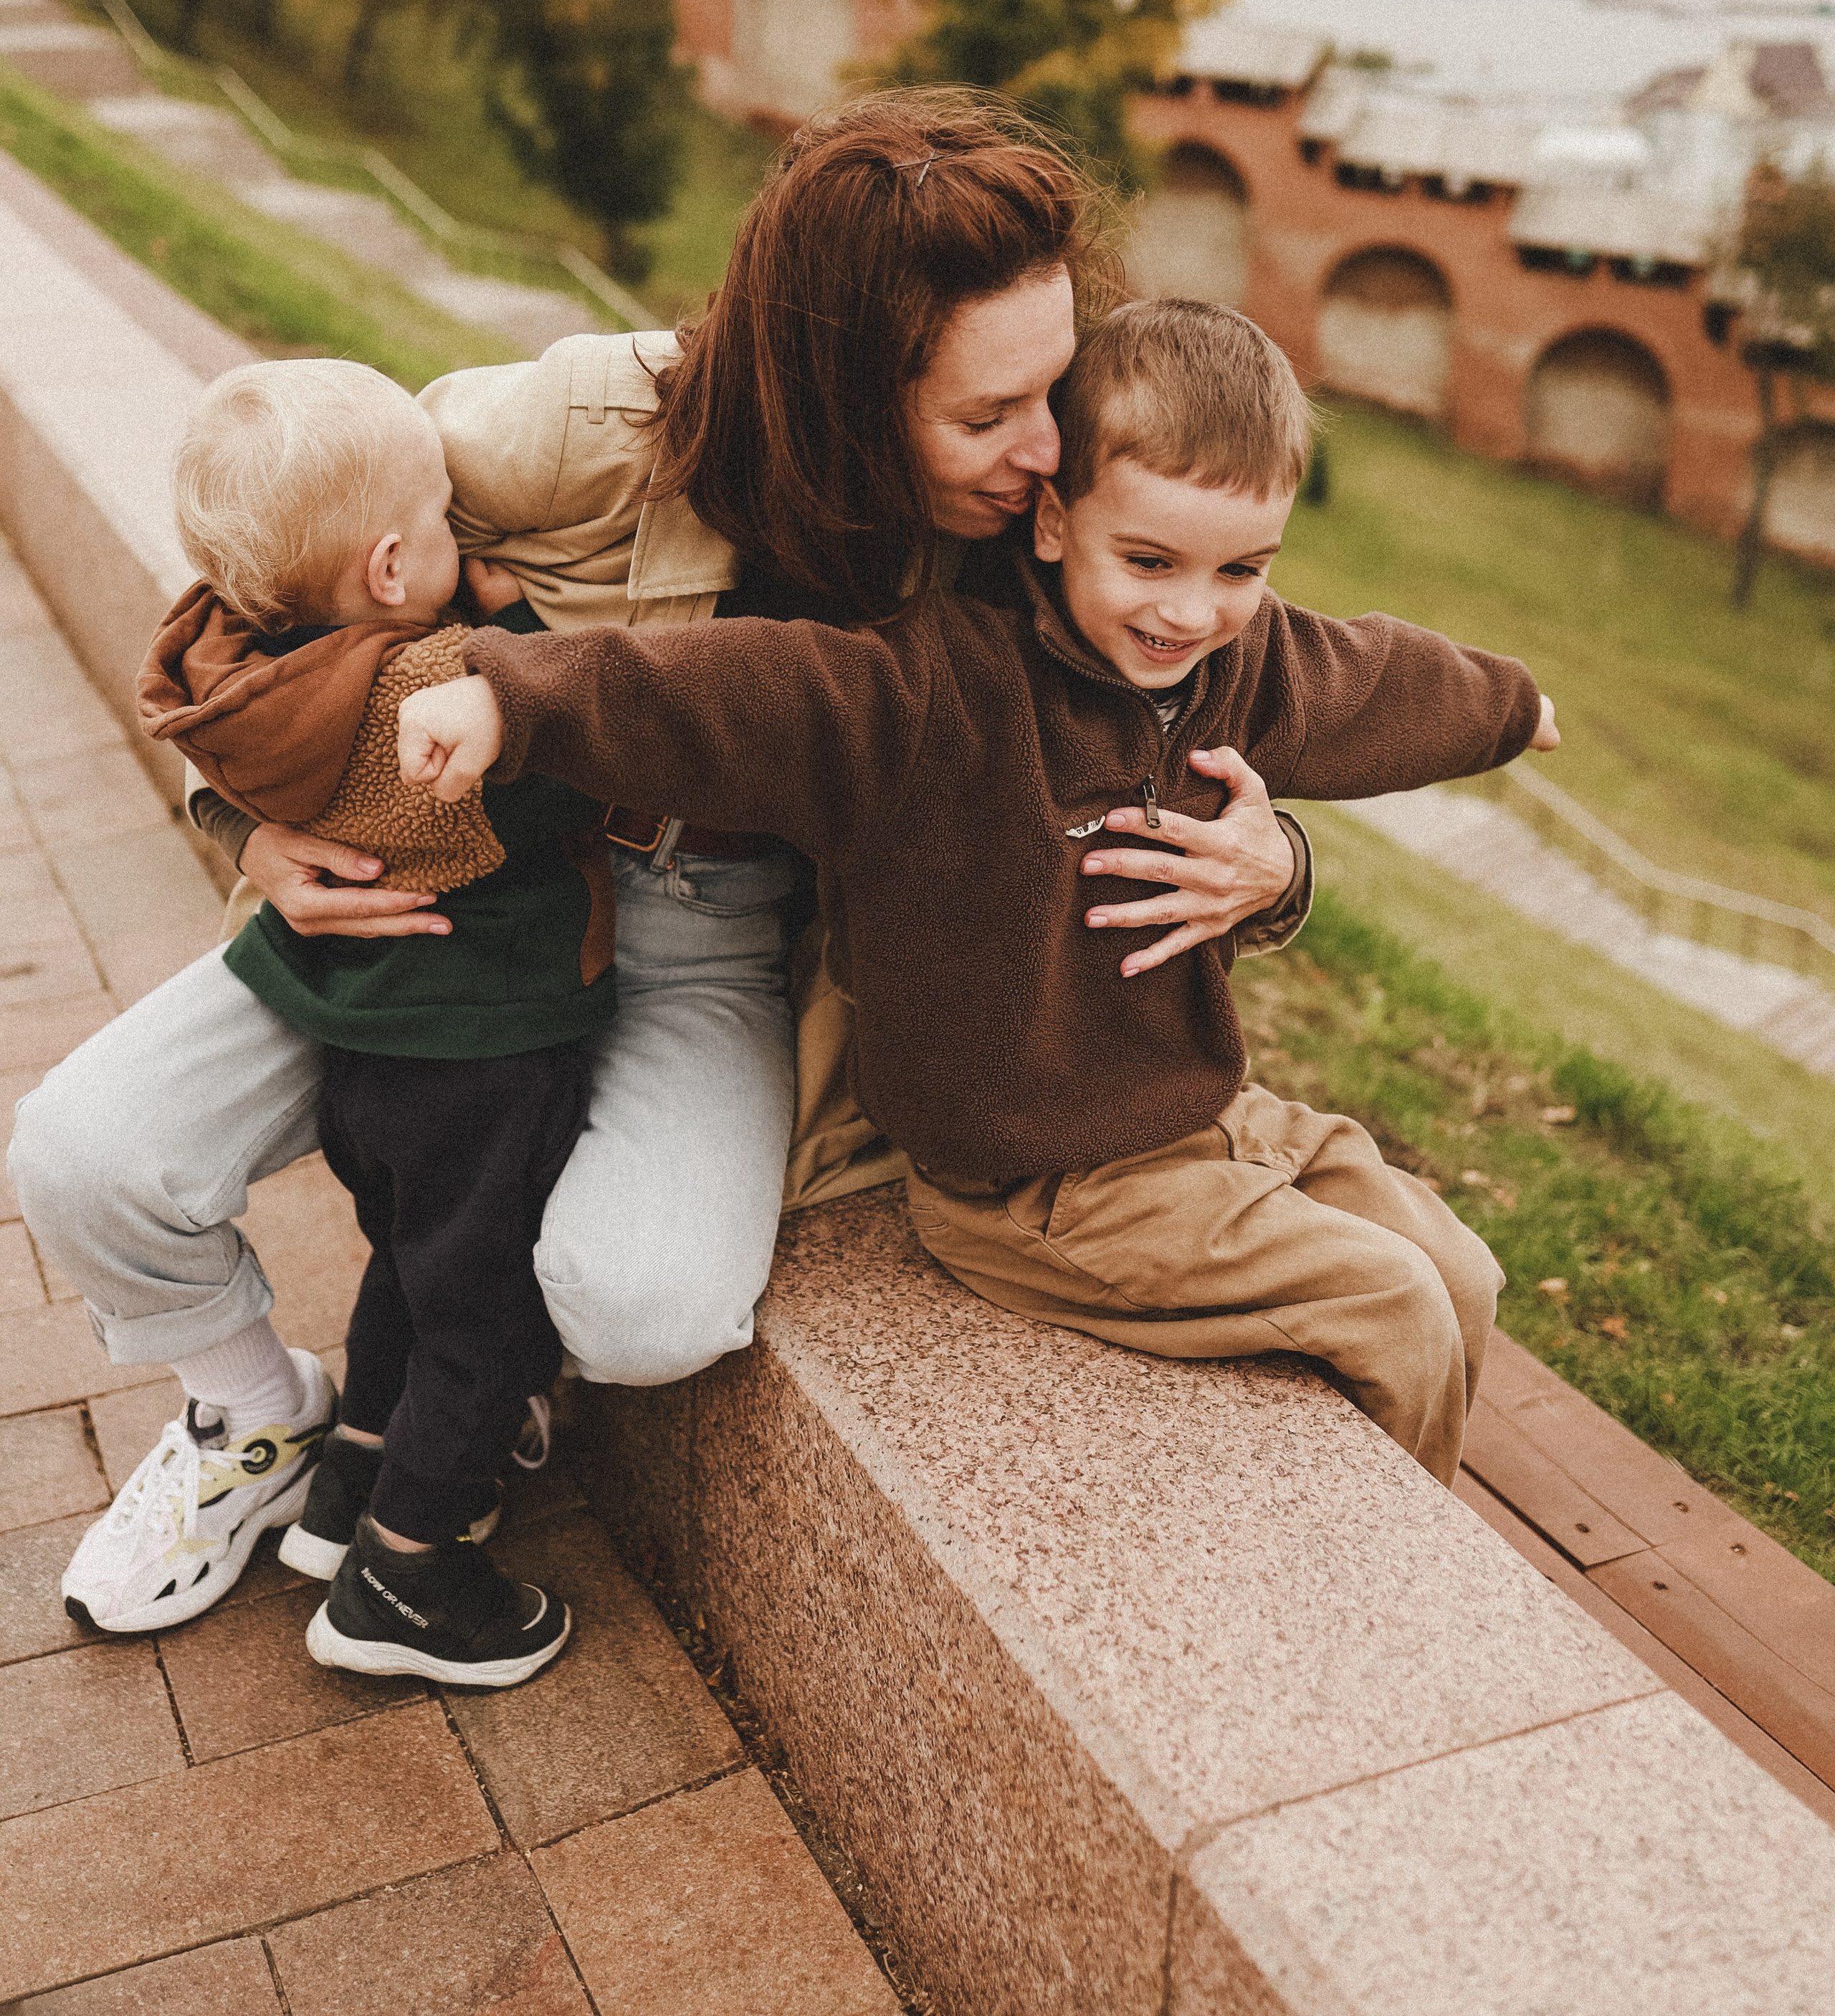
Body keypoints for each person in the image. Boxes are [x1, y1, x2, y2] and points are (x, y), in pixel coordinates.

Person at [9, 92, 1310, 1638]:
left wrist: (1274, 862)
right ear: (837, 386)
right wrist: (256, 827)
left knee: (646, 1309)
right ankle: (255, 1415)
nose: (1045, 452)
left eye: (1054, 390)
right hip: (446, 896)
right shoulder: (577, 423)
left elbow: (1218, 677)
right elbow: (259, 567)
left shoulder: (1020, 523)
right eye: (986, 417)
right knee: (83, 1159)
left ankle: (459, 1368)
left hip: (708, 931)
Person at [401, 300, 1561, 1485]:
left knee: (1465, 1272)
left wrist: (1515, 709)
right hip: (1041, 1184)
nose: (1189, 612)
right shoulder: (940, 688)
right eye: (1150, 562)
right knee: (1397, 1308)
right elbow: (728, 692)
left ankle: (1403, 1530)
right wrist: (510, 695)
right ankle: (1386, 1621)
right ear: (1054, 520)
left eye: (1240, 571)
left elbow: (1381, 678)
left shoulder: (1237, 661)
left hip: (1203, 1116)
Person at [123, 356, 599, 1681]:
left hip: (361, 1060)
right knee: (486, 1315)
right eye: (449, 520)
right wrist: (525, 641)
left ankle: (347, 1495)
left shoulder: (241, 676)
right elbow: (574, 777)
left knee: (407, 1264)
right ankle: (408, 1575)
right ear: (393, 569)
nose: (469, 541)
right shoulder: (429, 695)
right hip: (481, 1056)